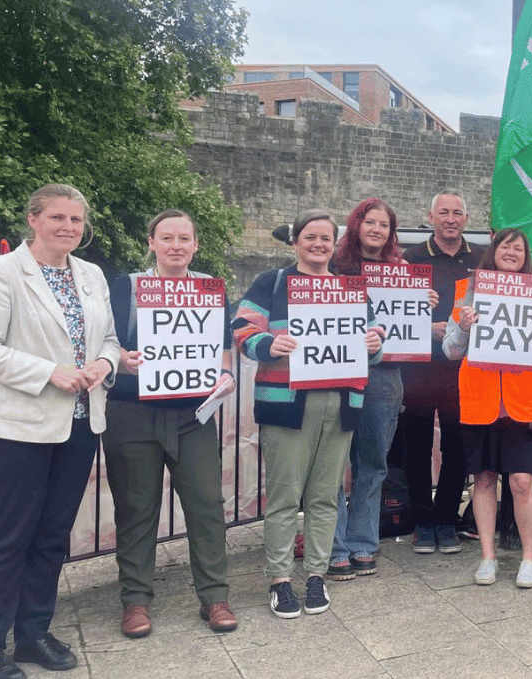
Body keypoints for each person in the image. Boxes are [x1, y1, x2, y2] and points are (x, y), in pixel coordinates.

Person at [0, 184, 120, 678]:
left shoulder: (92, 274)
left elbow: (112, 340)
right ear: (33, 219)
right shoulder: (0, 272)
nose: (68, 227)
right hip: (17, 428)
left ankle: (33, 634)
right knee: (8, 540)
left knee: (52, 537)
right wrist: (48, 371)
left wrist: (102, 362)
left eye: (76, 220)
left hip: (79, 424)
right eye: (57, 217)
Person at [233, 209, 384, 619]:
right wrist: (267, 344)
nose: (318, 244)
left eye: (325, 238)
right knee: (284, 496)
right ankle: (280, 580)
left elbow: (375, 336)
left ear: (335, 244)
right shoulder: (272, 281)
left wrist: (374, 342)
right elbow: (242, 327)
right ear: (296, 242)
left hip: (339, 403)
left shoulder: (351, 288)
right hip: (287, 402)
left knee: (324, 496)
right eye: (310, 237)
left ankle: (316, 574)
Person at [105, 210, 237, 639]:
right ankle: (136, 602)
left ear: (196, 245)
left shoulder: (211, 290)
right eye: (168, 237)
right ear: (151, 242)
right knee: (136, 509)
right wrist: (122, 360)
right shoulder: (126, 287)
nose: (176, 245)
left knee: (205, 506)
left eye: (185, 238)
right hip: (133, 413)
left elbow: (221, 351)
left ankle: (215, 597)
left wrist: (226, 375)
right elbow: (105, 343)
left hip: (191, 416)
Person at [443, 228, 532, 587]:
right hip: (481, 400)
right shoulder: (468, 292)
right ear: (493, 251)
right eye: (505, 245)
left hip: (522, 403)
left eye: (518, 247)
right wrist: (463, 329)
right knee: (483, 479)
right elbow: (450, 349)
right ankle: (487, 557)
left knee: (523, 481)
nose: (511, 251)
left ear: (526, 256)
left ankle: (528, 559)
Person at [326, 198, 421, 580]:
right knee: (331, 465)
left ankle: (363, 542)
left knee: (372, 464)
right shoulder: (332, 266)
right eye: (370, 222)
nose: (377, 230)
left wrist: (422, 303)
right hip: (336, 373)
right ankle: (334, 546)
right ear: (356, 226)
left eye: (384, 224)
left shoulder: (402, 270)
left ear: (391, 232)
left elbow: (410, 324)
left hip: (384, 376)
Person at [400, 190, 486, 555]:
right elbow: (395, 314)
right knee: (416, 447)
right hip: (419, 366)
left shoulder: (481, 259)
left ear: (466, 219)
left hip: (461, 369)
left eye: (457, 213)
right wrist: (427, 326)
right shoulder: (411, 258)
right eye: (443, 213)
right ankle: (423, 521)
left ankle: (448, 520)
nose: (451, 219)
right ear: (431, 217)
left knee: (457, 447)